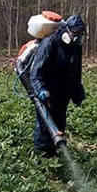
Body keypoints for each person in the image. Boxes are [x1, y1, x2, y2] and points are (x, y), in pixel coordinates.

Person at [29, 14, 86, 155]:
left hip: (63, 93)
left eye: (81, 33)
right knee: (44, 125)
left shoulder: (76, 47)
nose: (78, 37)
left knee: (59, 123)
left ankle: (53, 151)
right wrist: (40, 89)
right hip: (47, 92)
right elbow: (36, 72)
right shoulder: (50, 43)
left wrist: (77, 90)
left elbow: (76, 71)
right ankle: (41, 155)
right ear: (67, 31)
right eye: (75, 33)